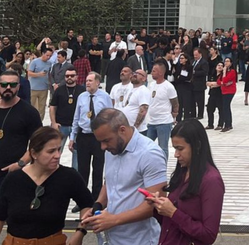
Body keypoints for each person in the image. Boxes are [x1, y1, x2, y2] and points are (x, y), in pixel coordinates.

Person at [82, 109, 167, 245]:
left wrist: (114, 220)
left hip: (140, 240)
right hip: (111, 239)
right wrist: (97, 206)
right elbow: (109, 182)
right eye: (100, 142)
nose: (103, 147)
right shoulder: (113, 149)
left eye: (106, 141)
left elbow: (157, 205)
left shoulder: (150, 154)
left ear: (122, 130)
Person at [0, 126, 93, 245]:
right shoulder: (13, 179)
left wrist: (80, 232)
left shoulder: (69, 177)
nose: (58, 155)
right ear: (34, 153)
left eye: (59, 149)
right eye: (51, 151)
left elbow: (87, 204)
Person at [146, 119, 225, 245]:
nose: (176, 155)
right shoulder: (182, 172)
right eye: (174, 149)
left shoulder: (211, 181)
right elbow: (169, 225)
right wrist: (158, 207)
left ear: (197, 145)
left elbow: (209, 235)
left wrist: (173, 212)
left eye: (180, 149)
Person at [70, 72, 113, 201]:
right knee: (82, 169)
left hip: (99, 137)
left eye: (90, 80)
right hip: (84, 136)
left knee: (98, 168)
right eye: (86, 80)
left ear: (98, 83)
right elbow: (76, 117)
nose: (87, 83)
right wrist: (72, 137)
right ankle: (83, 199)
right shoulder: (82, 96)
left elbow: (110, 117)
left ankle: (96, 198)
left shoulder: (105, 97)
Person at [0, 70, 43, 185]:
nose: (8, 87)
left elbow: (39, 143)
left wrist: (20, 164)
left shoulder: (29, 112)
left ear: (18, 87)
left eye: (13, 85)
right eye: (4, 84)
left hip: (13, 174)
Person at [49, 68, 85, 169]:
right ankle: (54, 172)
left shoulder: (82, 90)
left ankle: (75, 176)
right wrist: (53, 122)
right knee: (56, 151)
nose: (69, 78)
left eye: (72, 75)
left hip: (76, 127)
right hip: (61, 125)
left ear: (77, 77)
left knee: (77, 152)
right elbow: (52, 107)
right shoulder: (59, 90)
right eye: (67, 76)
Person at [147, 61, 180, 159]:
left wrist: (174, 114)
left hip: (164, 122)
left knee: (163, 147)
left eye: (154, 71)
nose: (152, 73)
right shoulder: (152, 85)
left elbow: (175, 103)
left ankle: (162, 168)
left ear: (161, 73)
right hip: (152, 121)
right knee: (147, 145)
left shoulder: (168, 86)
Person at [117, 69, 151, 134]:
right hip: (128, 128)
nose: (135, 74)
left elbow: (143, 110)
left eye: (138, 74)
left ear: (144, 79)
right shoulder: (131, 90)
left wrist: (135, 127)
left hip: (138, 131)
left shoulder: (143, 90)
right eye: (134, 73)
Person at [27, 48, 53, 120]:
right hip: (33, 88)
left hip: (44, 88)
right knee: (32, 106)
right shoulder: (35, 62)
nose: (48, 57)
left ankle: (40, 122)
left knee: (42, 107)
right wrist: (38, 74)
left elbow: (50, 74)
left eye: (50, 56)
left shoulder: (49, 63)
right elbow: (29, 73)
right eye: (47, 55)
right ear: (43, 54)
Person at [216, 57, 237, 133]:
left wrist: (224, 72)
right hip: (224, 90)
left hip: (230, 91)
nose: (226, 63)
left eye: (227, 61)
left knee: (225, 107)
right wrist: (223, 82)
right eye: (225, 61)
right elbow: (219, 81)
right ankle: (229, 124)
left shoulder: (232, 71)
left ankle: (227, 124)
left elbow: (224, 80)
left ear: (231, 63)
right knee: (226, 107)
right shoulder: (223, 72)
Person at [174, 53, 194, 120]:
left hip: (187, 88)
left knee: (186, 105)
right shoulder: (178, 67)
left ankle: (186, 119)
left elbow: (188, 78)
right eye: (180, 58)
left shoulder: (190, 67)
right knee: (179, 104)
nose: (181, 60)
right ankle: (178, 119)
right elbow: (176, 77)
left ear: (186, 59)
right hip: (179, 87)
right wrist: (180, 78)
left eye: (182, 58)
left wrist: (180, 77)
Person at [191, 48, 209, 119]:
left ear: (200, 54)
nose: (195, 56)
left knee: (200, 101)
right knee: (192, 100)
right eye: (194, 55)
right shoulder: (193, 61)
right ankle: (193, 114)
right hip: (193, 84)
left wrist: (195, 73)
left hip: (200, 84)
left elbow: (205, 72)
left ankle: (200, 114)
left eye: (196, 55)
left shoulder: (204, 62)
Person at [205, 62, 224, 130]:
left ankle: (220, 124)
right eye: (218, 65)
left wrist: (213, 84)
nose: (220, 67)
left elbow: (220, 84)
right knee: (209, 109)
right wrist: (213, 84)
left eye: (222, 66)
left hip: (220, 94)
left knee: (221, 110)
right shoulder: (212, 74)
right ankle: (210, 124)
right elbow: (207, 83)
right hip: (212, 94)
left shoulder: (223, 75)